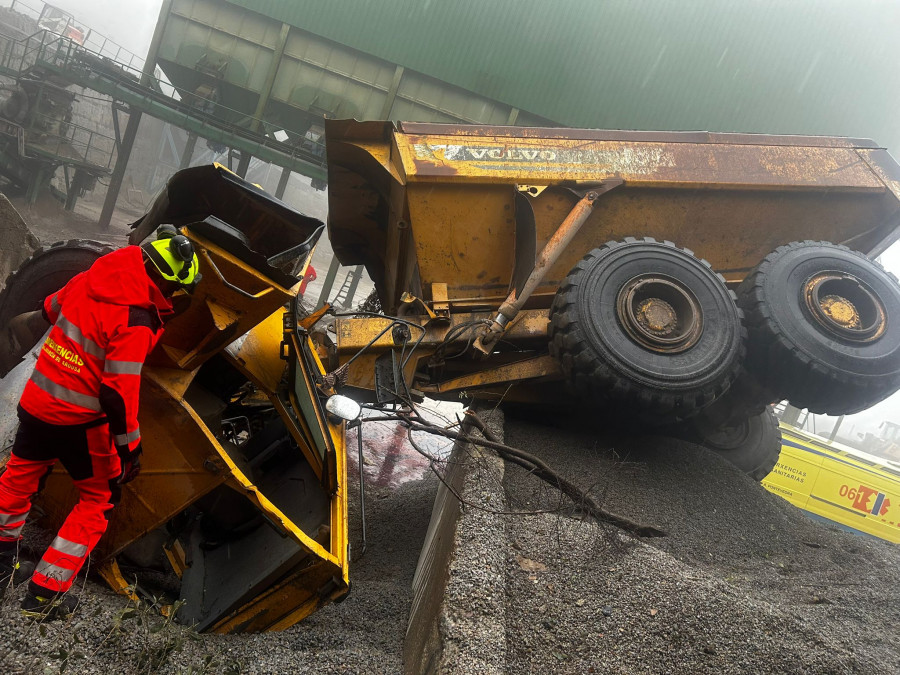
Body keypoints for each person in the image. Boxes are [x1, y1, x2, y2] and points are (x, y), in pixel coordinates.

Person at [0, 227, 199, 620]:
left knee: (19, 476)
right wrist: (130, 447)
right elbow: (116, 392)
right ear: (168, 283)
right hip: (75, 421)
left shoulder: (93, 275)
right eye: (177, 291)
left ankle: (2, 562)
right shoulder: (138, 319)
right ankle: (45, 596)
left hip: (38, 400)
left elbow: (49, 311)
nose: (175, 299)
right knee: (98, 499)